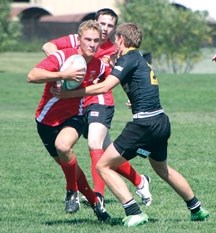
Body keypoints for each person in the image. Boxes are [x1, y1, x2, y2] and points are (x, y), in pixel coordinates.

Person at [51, 22, 210, 227]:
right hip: (160, 121)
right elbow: (142, 84)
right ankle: (197, 209)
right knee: (162, 169)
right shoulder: (139, 59)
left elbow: (105, 87)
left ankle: (133, 211)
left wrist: (69, 94)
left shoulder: (129, 58)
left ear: (121, 40)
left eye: (115, 39)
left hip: (145, 124)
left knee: (103, 165)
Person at [43, 8, 152, 207]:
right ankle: (140, 180)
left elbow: (138, 70)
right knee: (106, 151)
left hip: (99, 100)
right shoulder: (81, 39)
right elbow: (48, 46)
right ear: (95, 22)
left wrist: (137, 97)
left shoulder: (114, 49)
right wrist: (63, 67)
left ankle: (98, 196)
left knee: (95, 144)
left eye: (110, 26)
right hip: (77, 103)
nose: (105, 29)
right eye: (102, 23)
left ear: (114, 30)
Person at [27, 20, 112, 222]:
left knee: (63, 147)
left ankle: (70, 190)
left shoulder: (99, 65)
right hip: (45, 121)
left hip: (75, 116)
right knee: (71, 167)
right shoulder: (62, 57)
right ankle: (95, 204)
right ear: (79, 40)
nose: (92, 44)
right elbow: (32, 76)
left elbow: (111, 81)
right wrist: (63, 74)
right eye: (88, 40)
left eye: (96, 41)